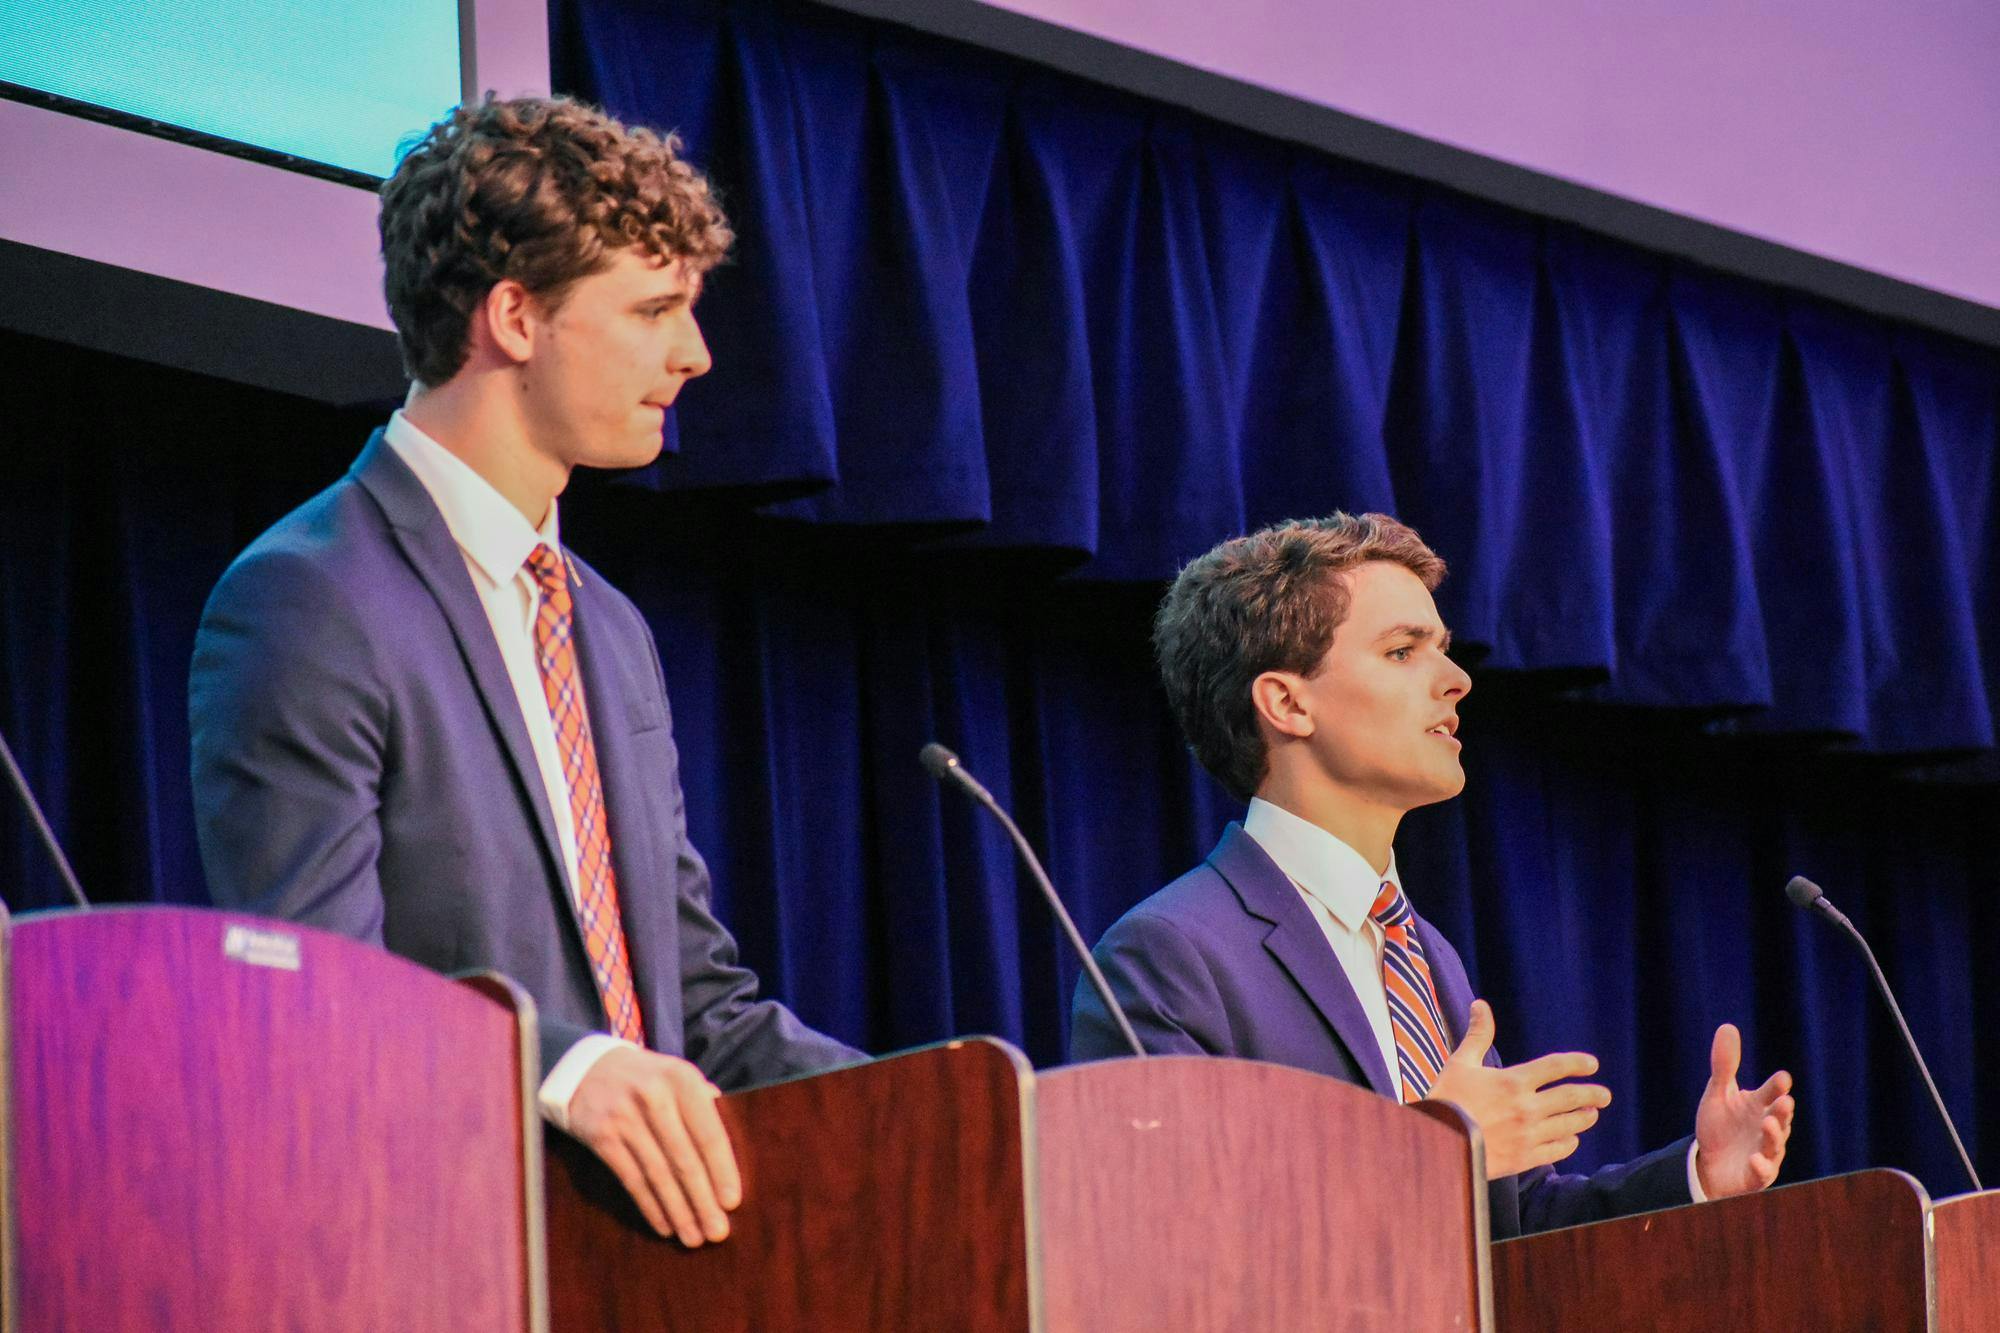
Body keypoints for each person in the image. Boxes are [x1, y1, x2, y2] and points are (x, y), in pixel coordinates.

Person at [190, 95, 862, 1249]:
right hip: (431, 1251)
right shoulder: (308, 597)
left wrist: (974, 1104)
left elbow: (694, 1003)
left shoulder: (609, 628)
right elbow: (307, 988)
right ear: (513, 316)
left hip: (634, 1269)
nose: (693, 354)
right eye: (654, 309)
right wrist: (564, 1072)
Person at [1070, 513, 1795, 1237]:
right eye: (1402, 651)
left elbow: (1510, 1227)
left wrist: (1696, 1175)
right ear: (1288, 703)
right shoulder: (1170, 955)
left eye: (1442, 649)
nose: (1456, 680)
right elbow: (1173, 1234)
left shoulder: (1425, 952)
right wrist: (1423, 1149)